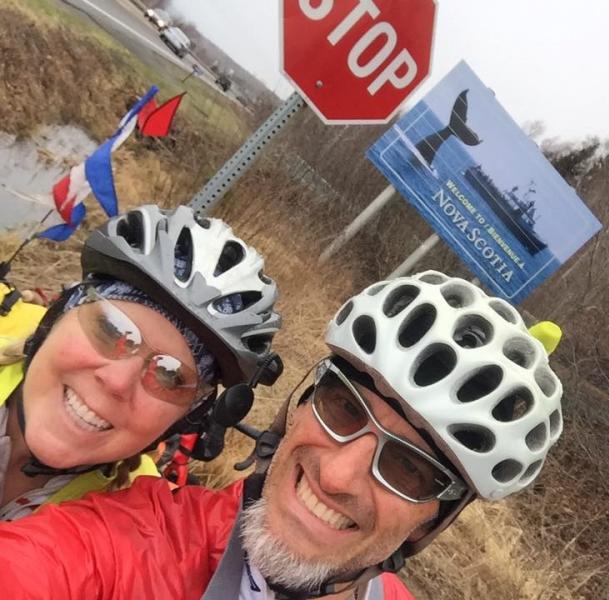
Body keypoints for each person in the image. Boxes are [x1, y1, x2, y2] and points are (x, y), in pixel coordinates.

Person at [0, 271, 563, 599]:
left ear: (432, 524)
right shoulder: (133, 540)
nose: (338, 475)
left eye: (410, 468)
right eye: (344, 408)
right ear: (295, 406)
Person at [0, 204, 281, 520]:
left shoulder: (138, 522)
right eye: (110, 329)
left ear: (186, 418)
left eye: (169, 375)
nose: (117, 381)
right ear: (59, 315)